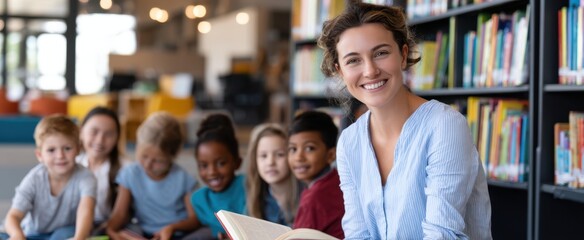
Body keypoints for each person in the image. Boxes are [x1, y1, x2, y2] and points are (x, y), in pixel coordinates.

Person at [318, 2, 492, 239]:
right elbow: (358, 233)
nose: (370, 71)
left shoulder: (444, 125)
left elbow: (442, 235)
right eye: (353, 60)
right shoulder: (349, 142)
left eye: (380, 53)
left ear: (403, 54)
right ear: (340, 71)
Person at [1, 115, 96, 240]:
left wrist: (79, 238)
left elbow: (86, 211)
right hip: (33, 233)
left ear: (78, 149)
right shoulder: (34, 179)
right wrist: (17, 235)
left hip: (65, 234)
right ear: (40, 155)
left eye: (67, 148)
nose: (60, 155)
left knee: (65, 234)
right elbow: (13, 216)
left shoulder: (86, 177)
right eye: (51, 150)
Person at [106, 112, 198, 240]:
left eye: (158, 161)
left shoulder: (184, 179)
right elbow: (120, 214)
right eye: (144, 156)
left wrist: (171, 228)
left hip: (178, 233)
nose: (148, 165)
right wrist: (110, 230)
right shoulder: (130, 173)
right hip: (143, 233)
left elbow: (195, 219)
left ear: (172, 157)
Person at [287, 111, 344, 239]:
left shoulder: (316, 196)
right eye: (293, 149)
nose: (298, 157)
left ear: (331, 155)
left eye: (309, 148)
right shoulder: (337, 180)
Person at [189, 113, 246, 239]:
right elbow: (196, 223)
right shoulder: (199, 199)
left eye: (221, 163)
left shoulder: (248, 186)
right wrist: (173, 227)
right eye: (204, 165)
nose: (212, 172)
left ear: (237, 162)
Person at [77, 106, 122, 234]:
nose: (100, 140)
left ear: (117, 138)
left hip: (109, 228)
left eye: (109, 134)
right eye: (94, 132)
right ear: (81, 132)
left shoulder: (126, 169)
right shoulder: (70, 164)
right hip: (74, 225)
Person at [245, 123, 300, 226]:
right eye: (263, 156)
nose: (270, 162)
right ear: (255, 160)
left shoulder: (304, 195)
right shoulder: (257, 197)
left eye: (280, 154)